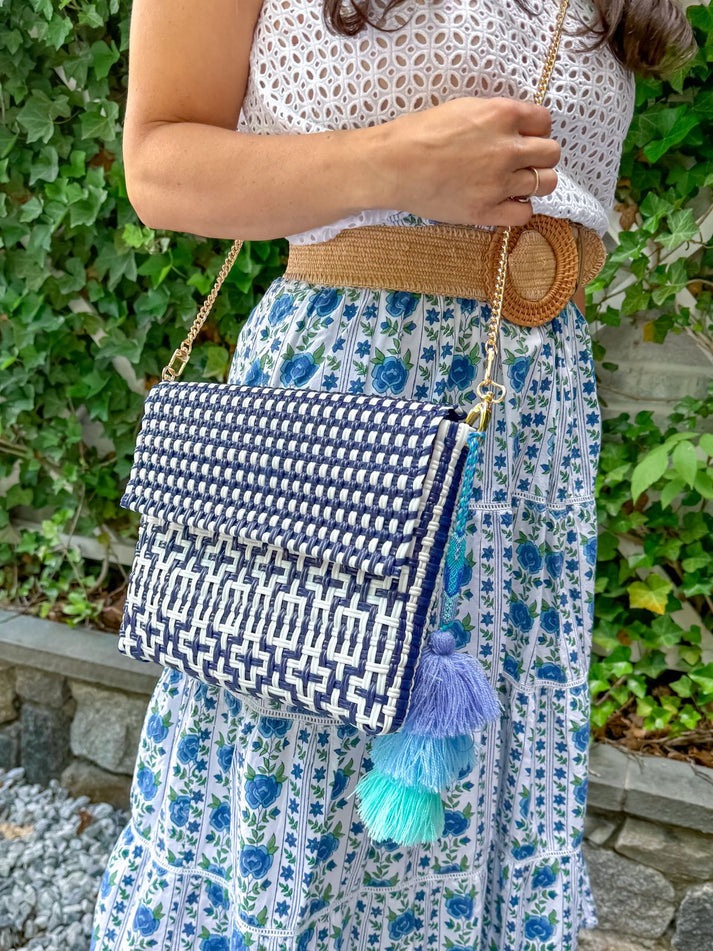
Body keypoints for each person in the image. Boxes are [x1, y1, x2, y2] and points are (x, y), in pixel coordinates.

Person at [91, 0, 694, 947]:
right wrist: (393, 162)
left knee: (494, 773)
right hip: (342, 411)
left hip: (527, 422)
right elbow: (159, 164)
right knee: (297, 778)